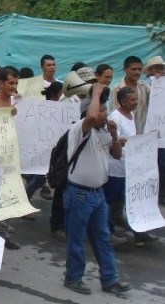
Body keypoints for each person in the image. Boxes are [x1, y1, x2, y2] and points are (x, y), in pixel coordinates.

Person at [62, 82, 131, 297]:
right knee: (76, 239)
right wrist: (97, 93)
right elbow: (91, 117)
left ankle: (110, 279)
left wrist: (113, 135)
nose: (105, 114)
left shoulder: (102, 132)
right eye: (102, 110)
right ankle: (73, 277)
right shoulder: (81, 128)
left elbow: (117, 155)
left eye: (105, 110)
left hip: (98, 195)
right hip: (79, 194)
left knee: (102, 238)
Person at [104, 86, 159, 246]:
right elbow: (111, 144)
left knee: (131, 201)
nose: (136, 102)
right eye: (133, 100)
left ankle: (139, 233)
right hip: (116, 169)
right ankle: (107, 233)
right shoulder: (115, 118)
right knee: (109, 201)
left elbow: (131, 139)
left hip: (130, 167)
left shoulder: (131, 114)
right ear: (122, 101)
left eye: (136, 99)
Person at [110, 56, 149, 134]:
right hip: (125, 136)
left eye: (140, 69)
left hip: (143, 133)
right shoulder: (117, 89)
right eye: (133, 69)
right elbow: (115, 111)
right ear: (125, 69)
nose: (137, 72)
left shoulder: (144, 86)